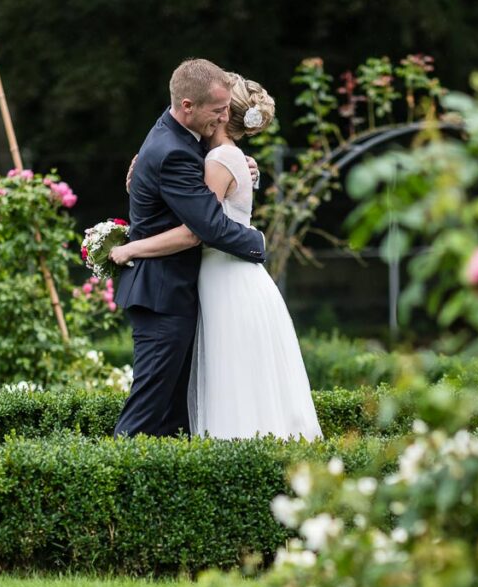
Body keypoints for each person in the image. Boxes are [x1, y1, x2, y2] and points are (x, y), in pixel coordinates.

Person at [111, 73, 322, 442]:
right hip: (195, 286)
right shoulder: (194, 151)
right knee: (211, 389)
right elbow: (198, 218)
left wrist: (130, 247)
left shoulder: (209, 153)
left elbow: (200, 227)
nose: (221, 117)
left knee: (224, 384)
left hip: (222, 282)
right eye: (217, 110)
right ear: (190, 106)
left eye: (225, 110)